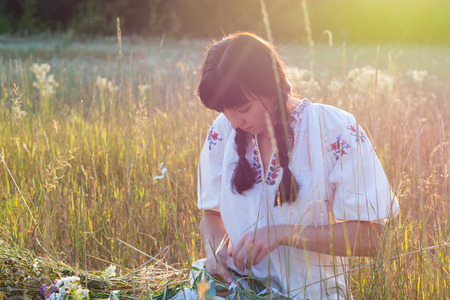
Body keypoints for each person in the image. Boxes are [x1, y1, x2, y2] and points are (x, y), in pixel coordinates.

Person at [195, 32, 399, 299]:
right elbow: (211, 215)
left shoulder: (334, 130)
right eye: (223, 110)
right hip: (237, 289)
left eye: (243, 108)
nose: (234, 122)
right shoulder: (223, 132)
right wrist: (215, 251)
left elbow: (371, 239)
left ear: (270, 88)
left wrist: (285, 234)